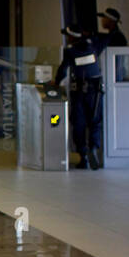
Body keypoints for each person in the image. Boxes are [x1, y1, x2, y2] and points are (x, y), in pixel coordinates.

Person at [54, 25, 107, 170]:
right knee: (95, 121)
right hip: (95, 91)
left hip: (78, 91)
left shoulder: (70, 51)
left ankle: (83, 156)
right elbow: (108, 37)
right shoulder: (95, 45)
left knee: (78, 123)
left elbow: (63, 70)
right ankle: (94, 148)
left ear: (72, 37)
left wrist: (56, 83)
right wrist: (91, 33)